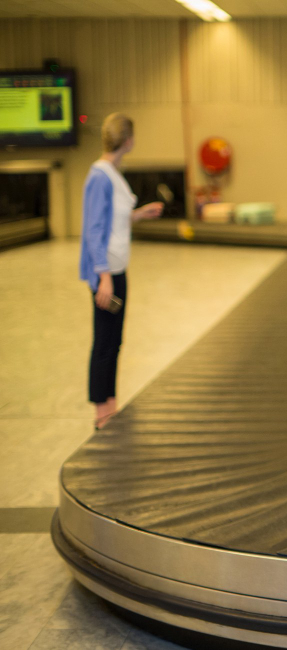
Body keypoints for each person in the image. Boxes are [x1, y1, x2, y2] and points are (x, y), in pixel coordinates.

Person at [79, 112, 163, 429]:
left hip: (116, 270)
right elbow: (93, 230)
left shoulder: (113, 174)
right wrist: (103, 278)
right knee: (104, 341)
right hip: (107, 276)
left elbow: (114, 221)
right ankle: (102, 413)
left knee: (114, 340)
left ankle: (110, 403)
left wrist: (139, 215)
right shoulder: (99, 176)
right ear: (127, 140)